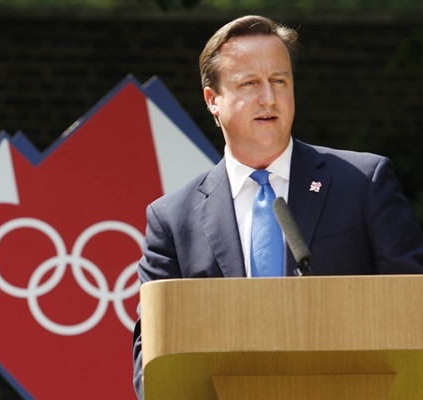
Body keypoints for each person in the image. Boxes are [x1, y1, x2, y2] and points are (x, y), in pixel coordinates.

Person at [131, 15, 423, 399]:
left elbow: (412, 312)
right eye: (249, 83)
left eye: (279, 81)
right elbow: (150, 358)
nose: (268, 97)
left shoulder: (363, 183)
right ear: (212, 100)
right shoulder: (172, 219)